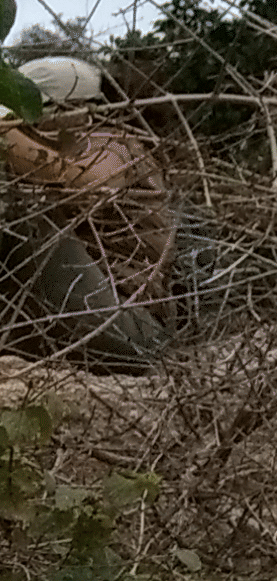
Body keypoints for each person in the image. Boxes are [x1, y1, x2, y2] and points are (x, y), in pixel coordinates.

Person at [1, 54, 176, 362]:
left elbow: (85, 183)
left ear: (73, 113)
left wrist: (5, 136)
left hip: (129, 327)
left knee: (17, 213)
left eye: (26, 118)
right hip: (62, 324)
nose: (24, 130)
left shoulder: (117, 144)